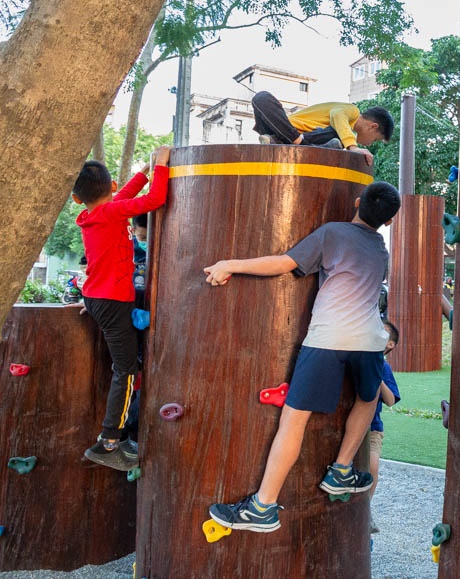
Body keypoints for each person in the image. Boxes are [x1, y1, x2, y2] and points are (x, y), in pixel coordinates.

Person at [205, 181, 401, 533]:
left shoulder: (333, 233)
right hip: (370, 341)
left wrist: (229, 264)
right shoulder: (380, 249)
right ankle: (342, 469)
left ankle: (263, 506)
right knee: (368, 398)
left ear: (357, 202)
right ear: (388, 221)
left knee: (294, 420)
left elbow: (284, 263)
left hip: (328, 338)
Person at [73, 147, 170, 470]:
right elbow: (155, 200)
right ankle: (109, 443)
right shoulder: (112, 212)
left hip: (98, 298)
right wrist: (160, 167)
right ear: (111, 185)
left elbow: (125, 196)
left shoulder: (100, 213)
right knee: (126, 371)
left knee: (128, 365)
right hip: (112, 302)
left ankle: (121, 435)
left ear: (77, 199)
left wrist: (143, 172)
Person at [251, 90, 393, 165]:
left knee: (337, 140)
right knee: (261, 97)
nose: (370, 144)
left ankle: (285, 142)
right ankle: (299, 142)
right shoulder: (353, 111)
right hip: (282, 129)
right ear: (372, 126)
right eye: (375, 139)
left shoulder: (343, 136)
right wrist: (353, 147)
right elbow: (337, 114)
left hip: (276, 140)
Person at [365, 320, 401, 535]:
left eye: (382, 332)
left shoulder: (383, 367)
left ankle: (365, 509)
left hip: (373, 428)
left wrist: (376, 376)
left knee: (372, 466)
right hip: (348, 427)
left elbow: (390, 400)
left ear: (390, 345)